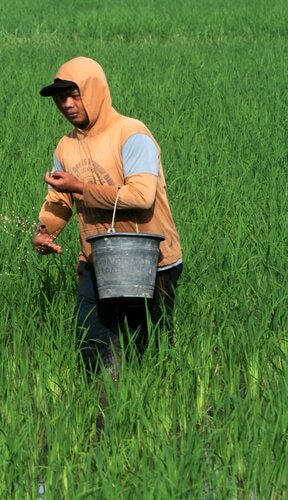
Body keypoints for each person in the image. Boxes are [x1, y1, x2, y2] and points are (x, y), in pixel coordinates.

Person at [33, 56, 183, 381]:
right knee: (92, 342)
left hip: (150, 261)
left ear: (95, 91)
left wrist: (81, 187)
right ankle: (99, 409)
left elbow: (141, 196)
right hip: (97, 258)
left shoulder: (131, 134)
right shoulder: (66, 146)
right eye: (61, 98)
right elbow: (59, 198)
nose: (67, 104)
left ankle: (147, 406)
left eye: (75, 95)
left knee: (147, 349)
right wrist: (46, 232)